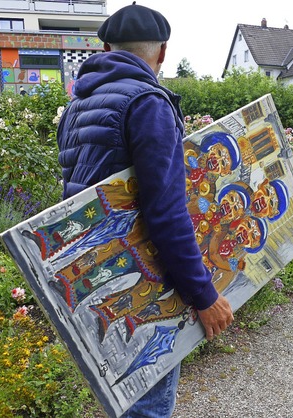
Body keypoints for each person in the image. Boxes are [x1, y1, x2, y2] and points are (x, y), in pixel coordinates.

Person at [55, 2, 234, 417]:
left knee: (127, 394)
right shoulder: (147, 103)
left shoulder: (76, 107)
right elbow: (166, 211)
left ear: (104, 47)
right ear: (163, 52)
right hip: (147, 275)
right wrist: (203, 293)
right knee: (147, 403)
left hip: (96, 268)